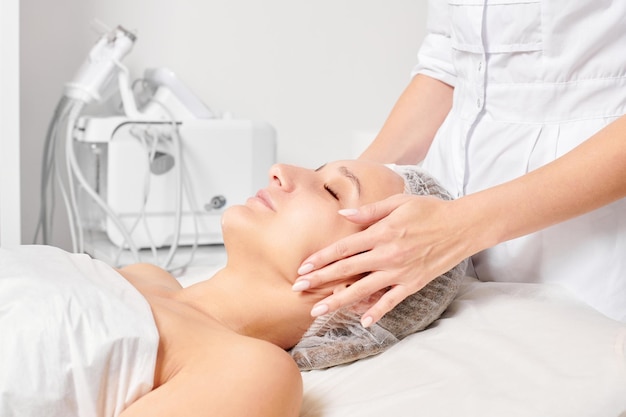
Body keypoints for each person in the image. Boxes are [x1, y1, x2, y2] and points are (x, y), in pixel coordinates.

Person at [0, 160, 463, 417]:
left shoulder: (253, 373)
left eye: (332, 191)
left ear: (366, 284)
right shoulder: (145, 276)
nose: (281, 170)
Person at [293, 0, 626, 326]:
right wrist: (342, 191)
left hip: (587, 243)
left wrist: (459, 228)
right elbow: (448, 62)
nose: (277, 173)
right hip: (444, 232)